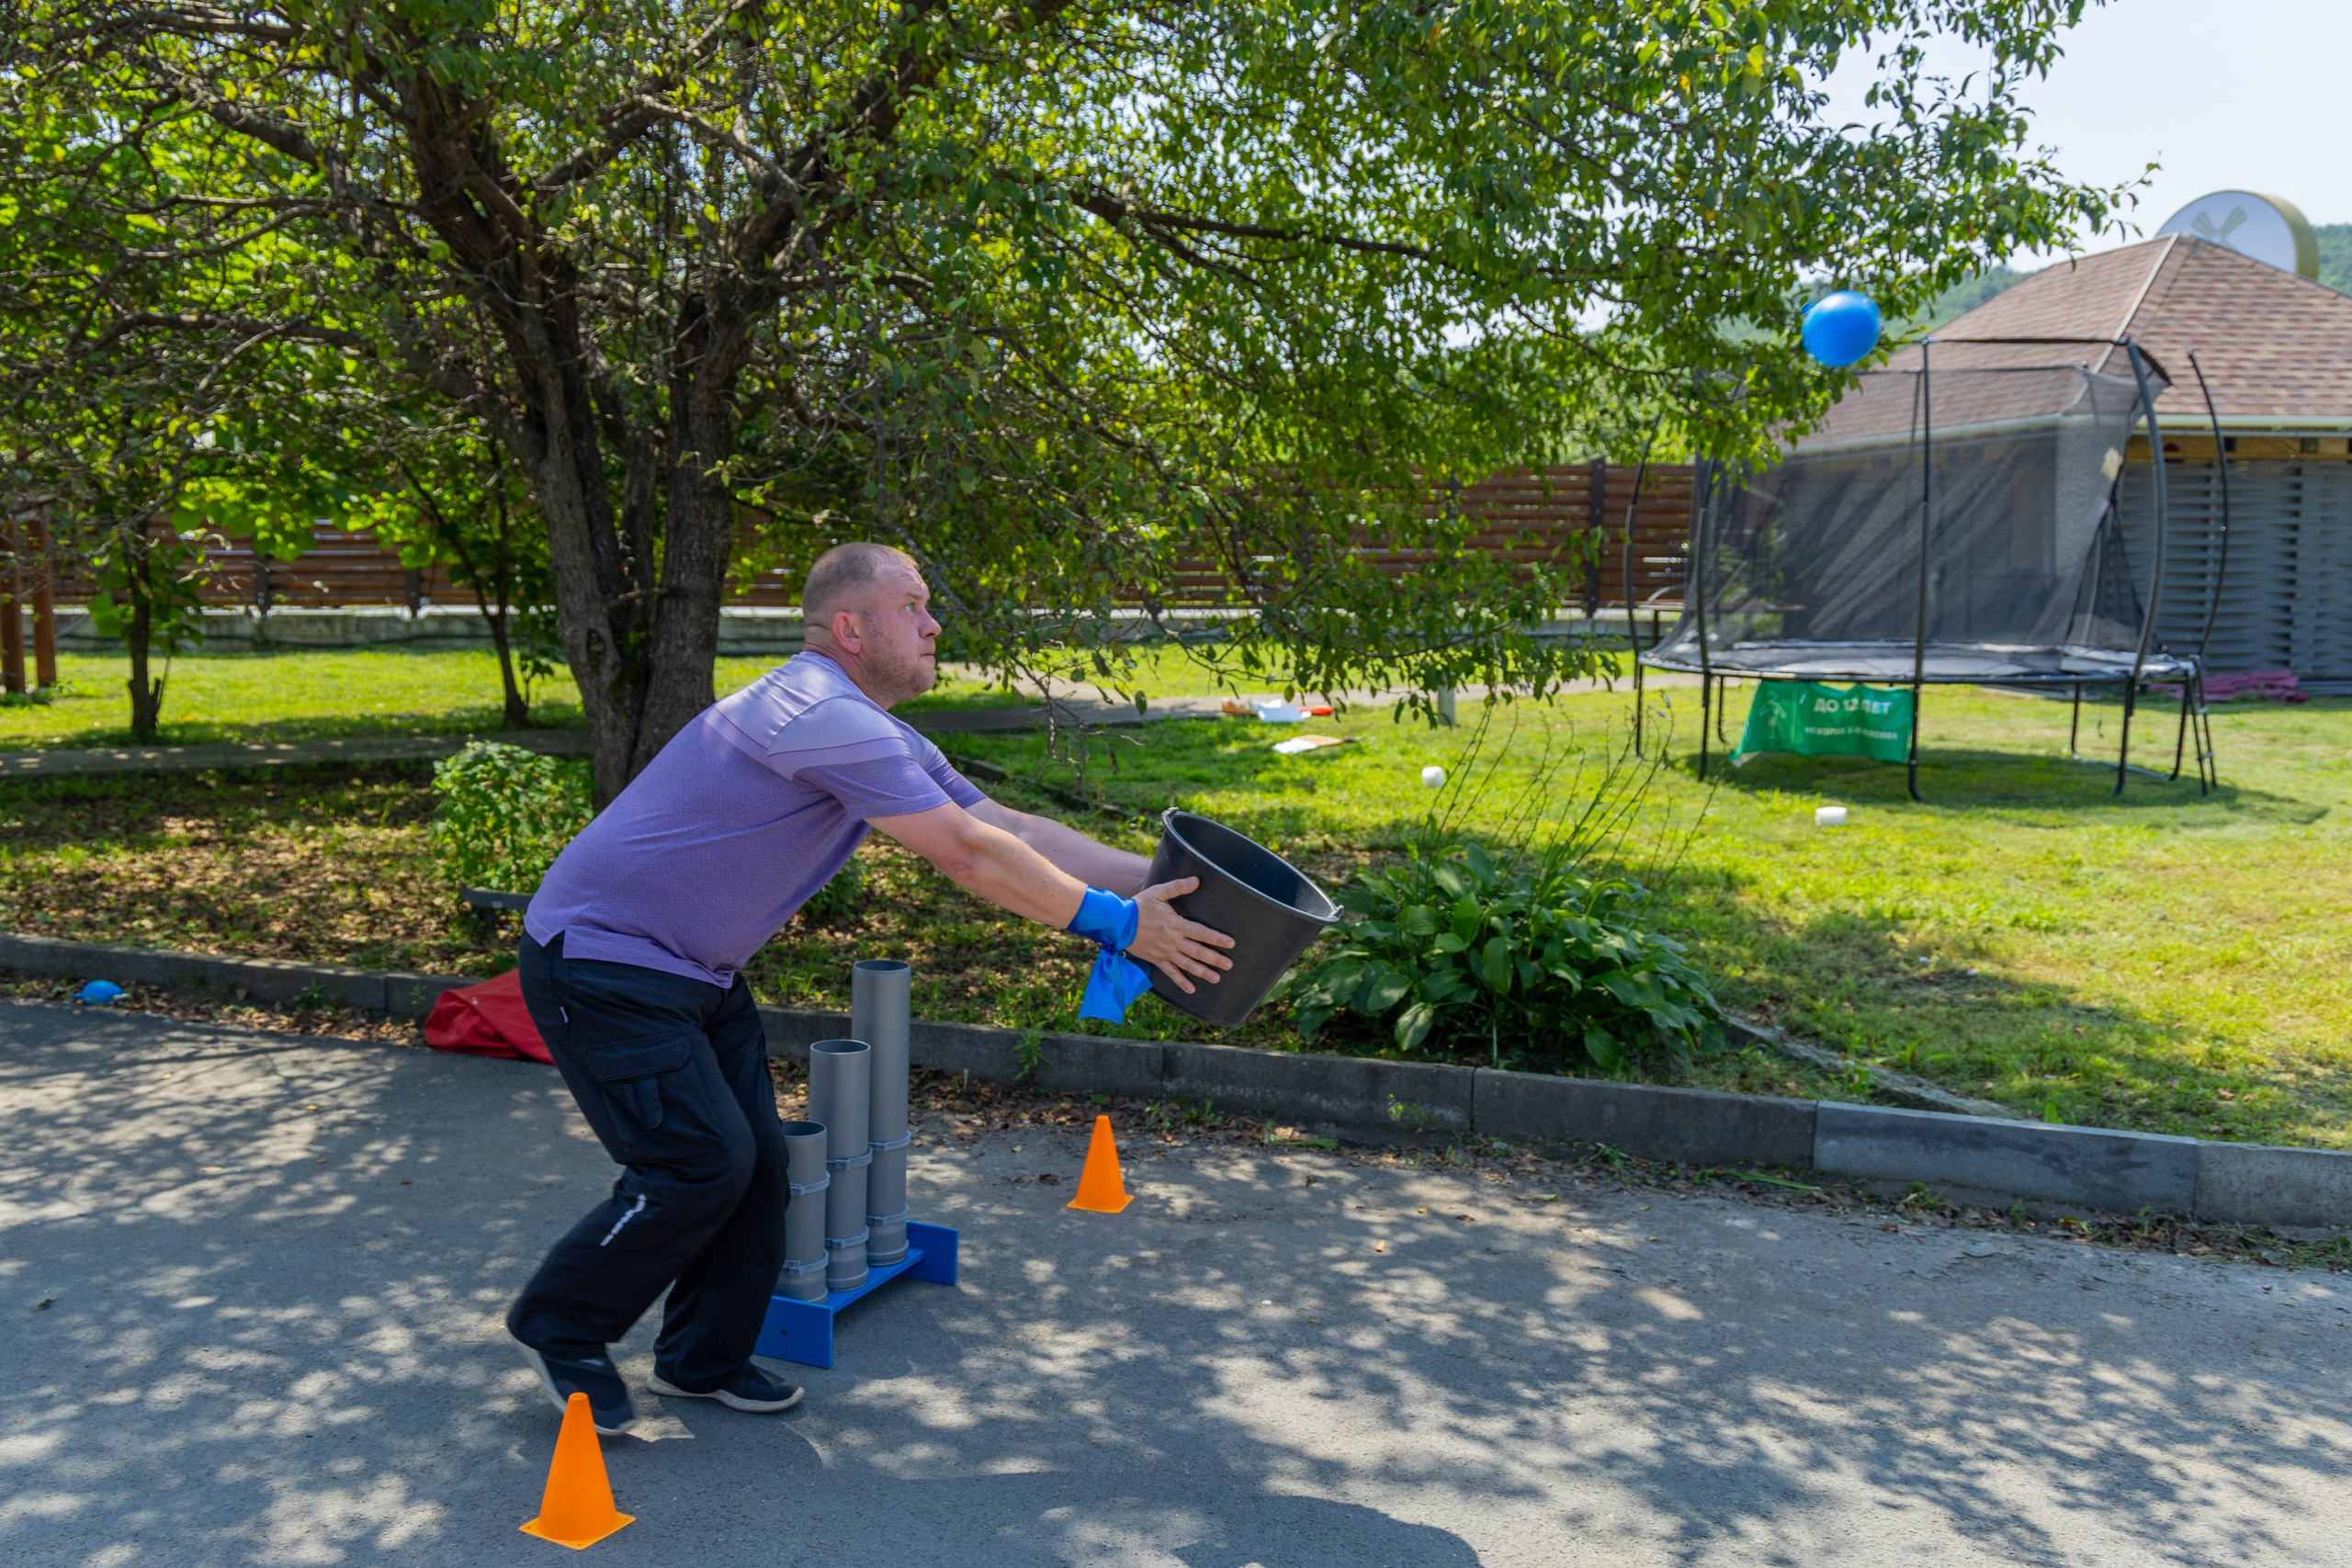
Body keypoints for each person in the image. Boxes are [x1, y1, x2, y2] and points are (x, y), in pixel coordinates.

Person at [506, 541, 1234, 1432]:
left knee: (760, 1165)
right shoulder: (815, 711)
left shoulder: (866, 724)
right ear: (849, 627)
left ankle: (699, 1363)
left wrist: (1176, 884)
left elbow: (1005, 823)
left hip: (691, 971)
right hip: (604, 965)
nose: (933, 625)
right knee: (696, 1163)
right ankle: (561, 1323)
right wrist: (1117, 925)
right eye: (912, 606)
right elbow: (967, 855)